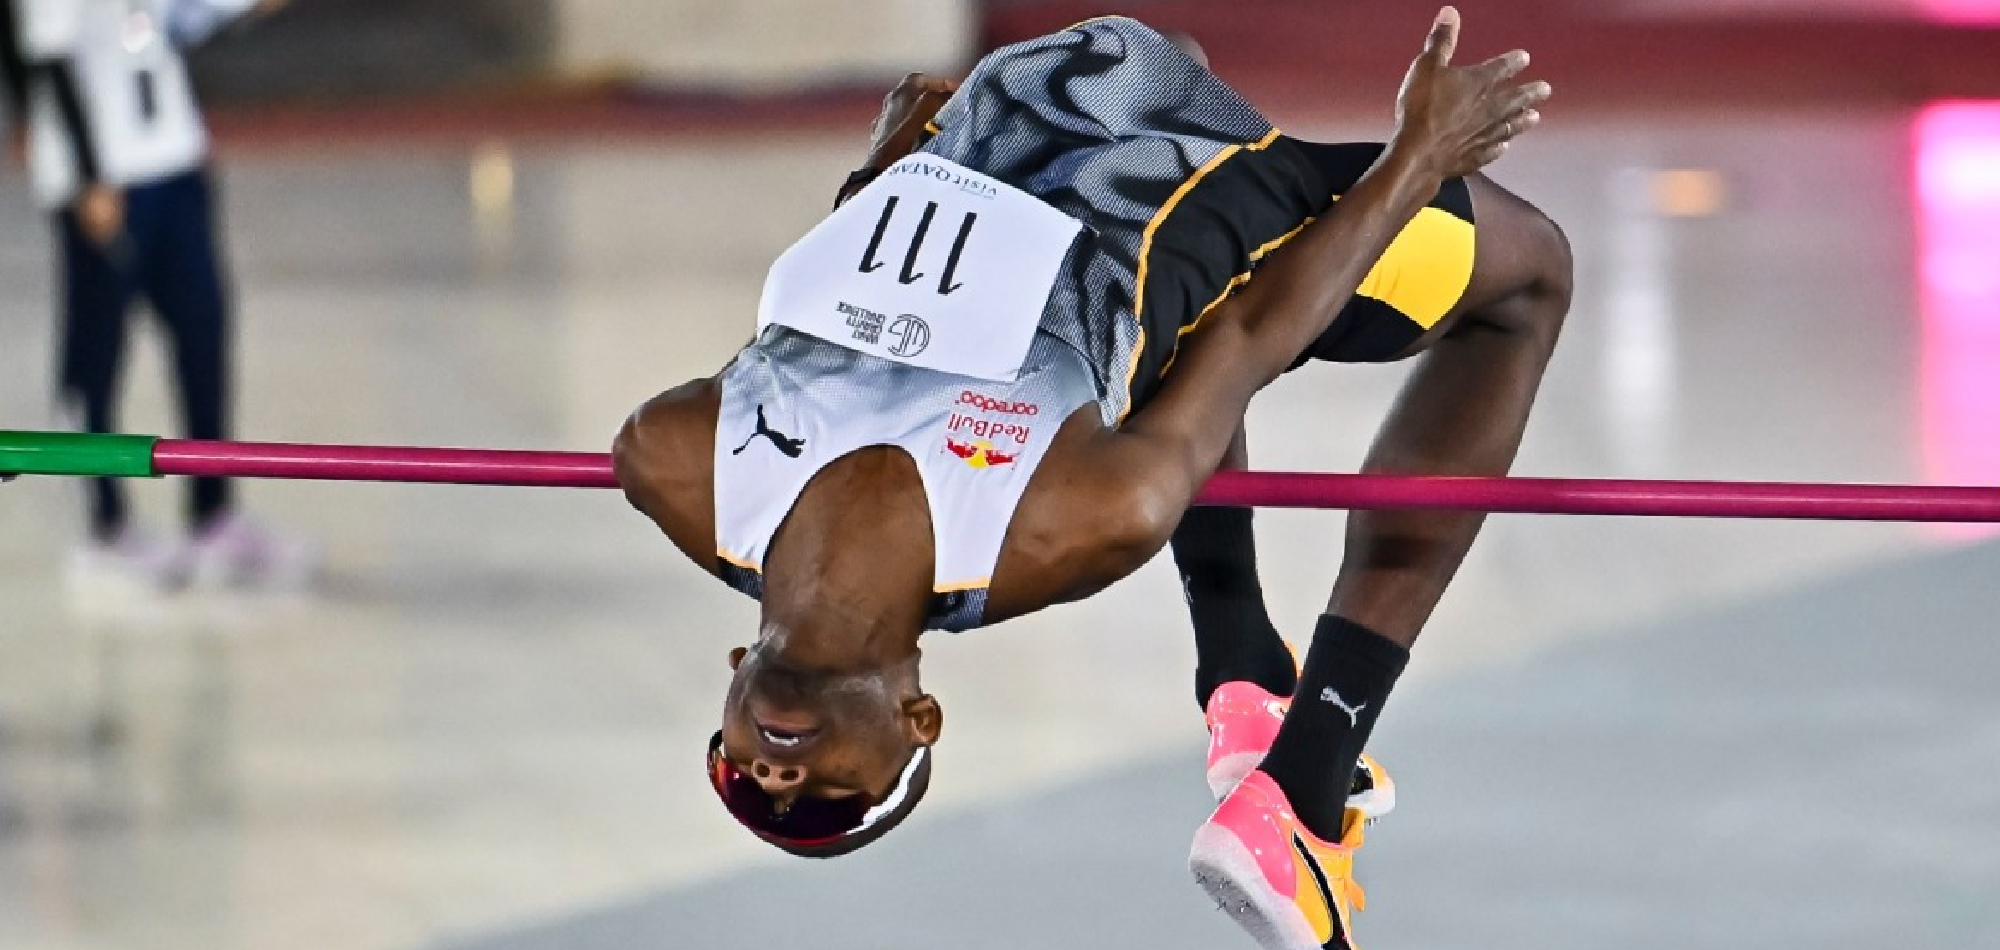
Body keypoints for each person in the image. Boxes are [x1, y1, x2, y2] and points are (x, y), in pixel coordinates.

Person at [614, 9, 1566, 949]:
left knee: (1171, 54)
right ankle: (1305, 788)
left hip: (1016, 120)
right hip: (1174, 202)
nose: (780, 786)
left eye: (743, 783)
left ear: (733, 683)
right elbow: (1243, 332)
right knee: (1529, 277)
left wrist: (878, 176)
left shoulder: (675, 460)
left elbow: (816, 319)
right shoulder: (1064, 523)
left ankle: (1241, 673)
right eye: (830, 801)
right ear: (918, 718)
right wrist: (1415, 157)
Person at [1, 0, 316, 594]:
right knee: (95, 350)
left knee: (204, 328)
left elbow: (182, 15)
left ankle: (212, 512)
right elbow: (48, 55)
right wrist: (90, 177)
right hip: (105, 176)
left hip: (172, 156)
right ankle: (104, 528)